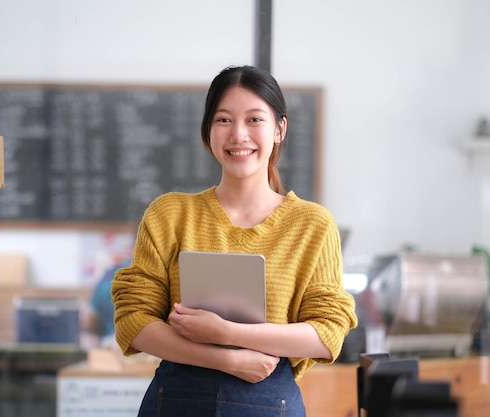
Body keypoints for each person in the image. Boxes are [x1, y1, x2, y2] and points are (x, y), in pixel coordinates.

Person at [111, 65, 358, 417]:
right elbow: (134, 320)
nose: (238, 134)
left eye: (254, 120)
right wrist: (226, 358)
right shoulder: (169, 214)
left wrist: (227, 330)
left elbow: (326, 333)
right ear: (208, 131)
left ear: (279, 129)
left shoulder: (313, 225)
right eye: (224, 120)